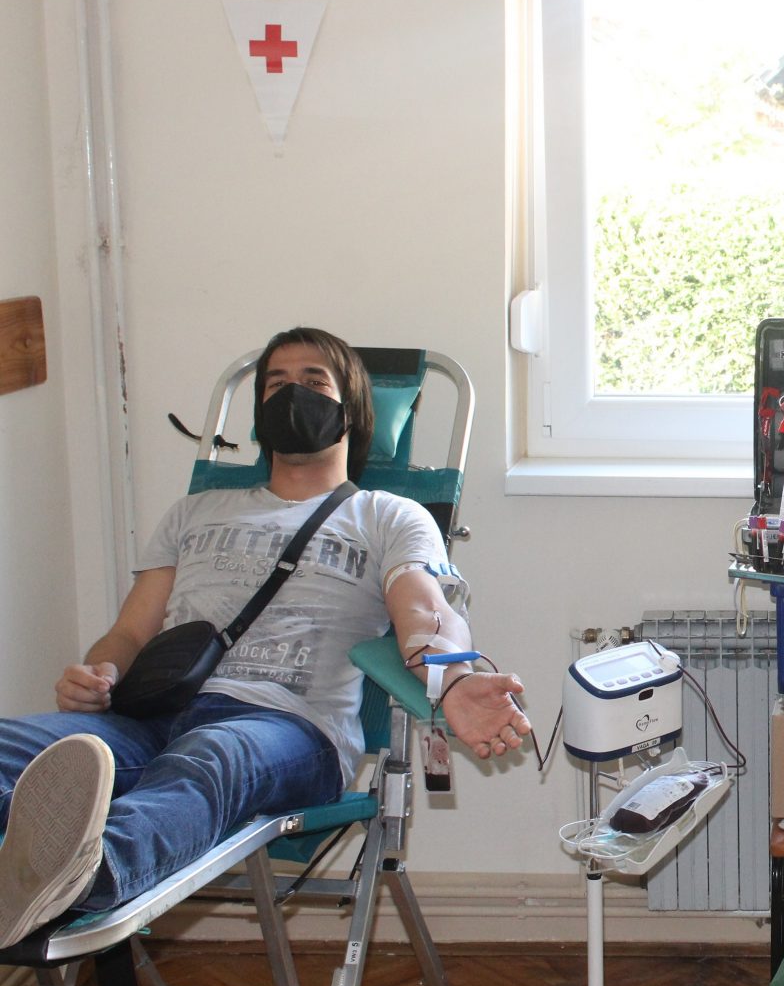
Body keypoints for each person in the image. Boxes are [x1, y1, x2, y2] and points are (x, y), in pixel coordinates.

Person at [0, 327, 531, 948]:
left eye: (314, 382)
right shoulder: (193, 513)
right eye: (276, 383)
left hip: (287, 727)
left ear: (353, 411)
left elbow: (424, 608)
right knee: (13, 747)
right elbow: (128, 633)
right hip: (154, 714)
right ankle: (21, 877)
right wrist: (99, 676)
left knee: (210, 759)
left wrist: (454, 679)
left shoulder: (388, 514)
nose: (291, 394)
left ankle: (79, 881)